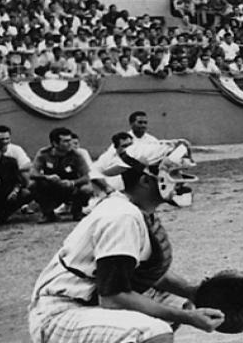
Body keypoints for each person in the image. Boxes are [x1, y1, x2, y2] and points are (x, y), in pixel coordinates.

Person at [28, 140, 225, 343]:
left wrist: (192, 292)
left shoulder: (136, 208)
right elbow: (113, 297)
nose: (180, 180)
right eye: (173, 173)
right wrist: (189, 318)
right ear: (145, 181)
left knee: (176, 303)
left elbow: (141, 273)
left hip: (87, 302)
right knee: (153, 332)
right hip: (60, 312)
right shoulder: (122, 216)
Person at [30, 127, 92, 223]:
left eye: (70, 140)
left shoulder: (76, 155)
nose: (70, 144)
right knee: (33, 184)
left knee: (86, 189)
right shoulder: (44, 153)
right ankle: (48, 213)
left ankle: (77, 211)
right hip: (51, 187)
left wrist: (72, 183)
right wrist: (47, 177)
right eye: (66, 141)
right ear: (55, 143)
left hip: (70, 188)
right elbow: (33, 172)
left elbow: (86, 176)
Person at [0, 143, 32, 223]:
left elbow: (18, 181)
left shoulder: (10, 162)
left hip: (5, 193)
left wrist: (14, 191)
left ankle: (3, 215)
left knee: (26, 193)